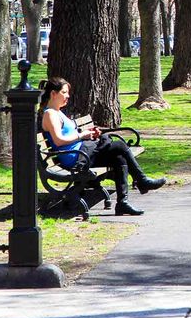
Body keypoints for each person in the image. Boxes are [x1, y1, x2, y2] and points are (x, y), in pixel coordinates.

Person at [39, 76, 165, 216]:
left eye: (68, 92)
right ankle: (142, 180)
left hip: (83, 153)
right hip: (76, 158)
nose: (67, 96)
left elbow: (71, 135)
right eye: (64, 92)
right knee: (119, 145)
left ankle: (123, 203)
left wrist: (89, 133)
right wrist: (83, 135)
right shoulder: (50, 114)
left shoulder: (58, 112)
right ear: (53, 94)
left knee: (119, 158)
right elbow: (58, 140)